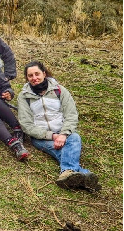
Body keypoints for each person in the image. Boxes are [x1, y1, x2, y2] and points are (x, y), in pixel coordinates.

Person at [17, 61, 100, 191]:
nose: (34, 78)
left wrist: (64, 134)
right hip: (41, 138)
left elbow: (71, 115)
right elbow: (26, 125)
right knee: (66, 150)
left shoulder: (59, 90)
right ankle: (84, 175)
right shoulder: (24, 96)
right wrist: (53, 136)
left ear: (44, 73)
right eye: (30, 75)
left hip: (63, 133)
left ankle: (67, 174)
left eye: (37, 74)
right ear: (27, 78)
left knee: (75, 138)